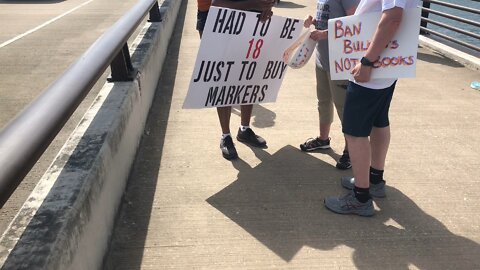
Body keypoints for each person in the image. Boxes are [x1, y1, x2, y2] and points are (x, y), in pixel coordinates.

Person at [324, 0, 419, 216]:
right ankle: (373, 179)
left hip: (373, 69)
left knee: (354, 132)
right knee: (379, 121)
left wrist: (367, 61)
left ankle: (360, 196)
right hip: (387, 65)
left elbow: (392, 17)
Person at [201, 0, 274, 160]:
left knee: (248, 76)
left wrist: (267, 6)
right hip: (220, 23)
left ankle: (244, 129)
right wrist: (255, 4)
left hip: (251, 22)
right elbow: (217, 4)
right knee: (224, 81)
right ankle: (225, 136)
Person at [299, 0, 358, 170]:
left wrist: (325, 33)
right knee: (323, 102)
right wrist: (314, 21)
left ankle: (350, 150)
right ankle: (323, 139)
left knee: (344, 107)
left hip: (340, 61)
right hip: (322, 58)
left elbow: (355, 22)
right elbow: (331, 18)